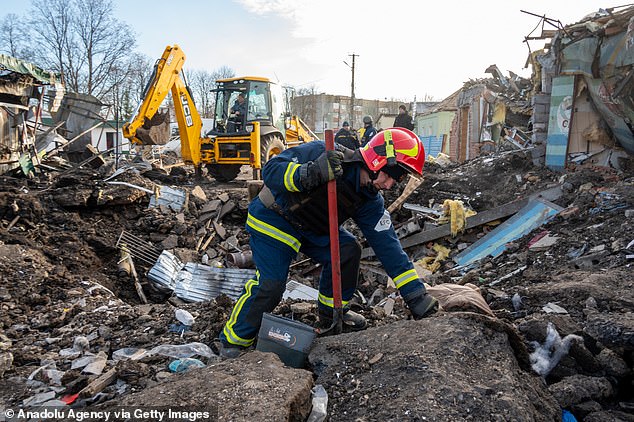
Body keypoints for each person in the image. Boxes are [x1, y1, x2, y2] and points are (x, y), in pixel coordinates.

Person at [218, 127, 438, 358]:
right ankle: (234, 340)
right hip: (274, 218)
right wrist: (309, 173)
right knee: (271, 285)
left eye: (398, 179)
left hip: (312, 229)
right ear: (378, 160)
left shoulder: (370, 201)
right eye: (391, 174)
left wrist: (416, 297)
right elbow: (271, 170)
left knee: (348, 250)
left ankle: (332, 314)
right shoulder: (322, 151)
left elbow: (389, 248)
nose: (390, 185)